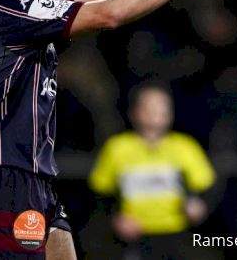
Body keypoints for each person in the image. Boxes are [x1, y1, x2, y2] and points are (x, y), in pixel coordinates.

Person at [0, 0, 217, 259]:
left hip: (31, 182)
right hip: (7, 183)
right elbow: (107, 15)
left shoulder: (7, 9)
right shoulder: (5, 11)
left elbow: (95, 3)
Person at [89, 82, 215, 260]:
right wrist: (115, 218)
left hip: (176, 233)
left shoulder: (185, 147)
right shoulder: (117, 148)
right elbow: (101, 192)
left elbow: (205, 187)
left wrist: (198, 207)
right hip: (133, 236)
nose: (156, 112)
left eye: (162, 106)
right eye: (149, 106)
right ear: (134, 112)